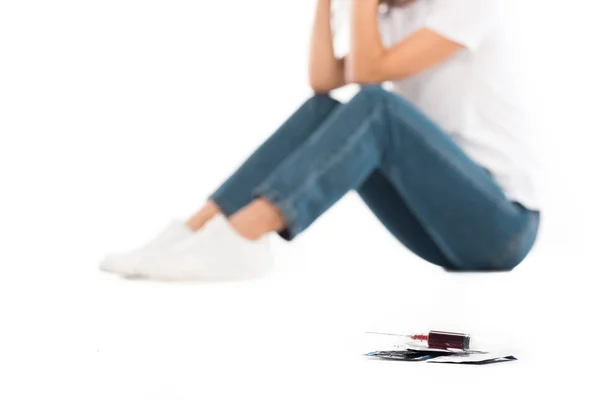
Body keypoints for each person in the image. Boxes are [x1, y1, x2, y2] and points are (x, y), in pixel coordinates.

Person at [100, 0, 541, 280]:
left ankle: (242, 238)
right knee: (324, 110)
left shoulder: (464, 5)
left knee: (375, 107)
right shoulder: (392, 19)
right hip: (439, 234)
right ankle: (192, 234)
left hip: (502, 224)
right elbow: (323, 81)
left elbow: (368, 77)